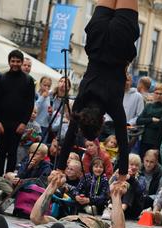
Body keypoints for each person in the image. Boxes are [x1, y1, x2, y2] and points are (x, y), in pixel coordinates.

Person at [58, 0, 140, 182]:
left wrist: (123, 174)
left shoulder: (113, 105)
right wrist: (59, 167)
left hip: (120, 42)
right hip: (97, 35)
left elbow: (123, 141)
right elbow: (70, 135)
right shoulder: (81, 102)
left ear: (102, 121)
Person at [0, 170, 128, 228]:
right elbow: (35, 217)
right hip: (60, 225)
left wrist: (116, 196)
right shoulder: (58, 224)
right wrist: (51, 187)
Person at [0, 49, 35, 180]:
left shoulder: (28, 81)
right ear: (9, 62)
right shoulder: (1, 78)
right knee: (0, 152)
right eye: (13, 61)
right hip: (2, 122)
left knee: (12, 152)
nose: (15, 63)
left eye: (18, 61)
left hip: (18, 124)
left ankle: (8, 179)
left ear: (22, 62)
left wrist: (24, 122)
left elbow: (29, 104)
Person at [109, 153, 146, 219]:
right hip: (117, 203)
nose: (134, 167)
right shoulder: (120, 173)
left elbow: (140, 190)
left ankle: (122, 208)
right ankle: (111, 207)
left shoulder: (141, 177)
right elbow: (110, 184)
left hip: (133, 207)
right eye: (131, 164)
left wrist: (131, 179)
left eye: (136, 165)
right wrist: (118, 177)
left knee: (128, 186)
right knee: (119, 184)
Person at [136, 83, 162, 158]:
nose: (158, 95)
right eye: (157, 93)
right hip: (145, 139)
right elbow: (139, 120)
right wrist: (152, 119)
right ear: (153, 94)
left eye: (161, 94)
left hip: (157, 141)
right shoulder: (148, 106)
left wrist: (147, 122)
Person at [35, 76, 52, 142]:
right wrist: (42, 97)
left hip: (45, 126)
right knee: (33, 144)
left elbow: (48, 113)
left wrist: (50, 113)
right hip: (35, 125)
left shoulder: (50, 98)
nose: (46, 88)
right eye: (45, 85)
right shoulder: (36, 95)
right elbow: (34, 108)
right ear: (40, 84)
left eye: (49, 86)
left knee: (42, 147)